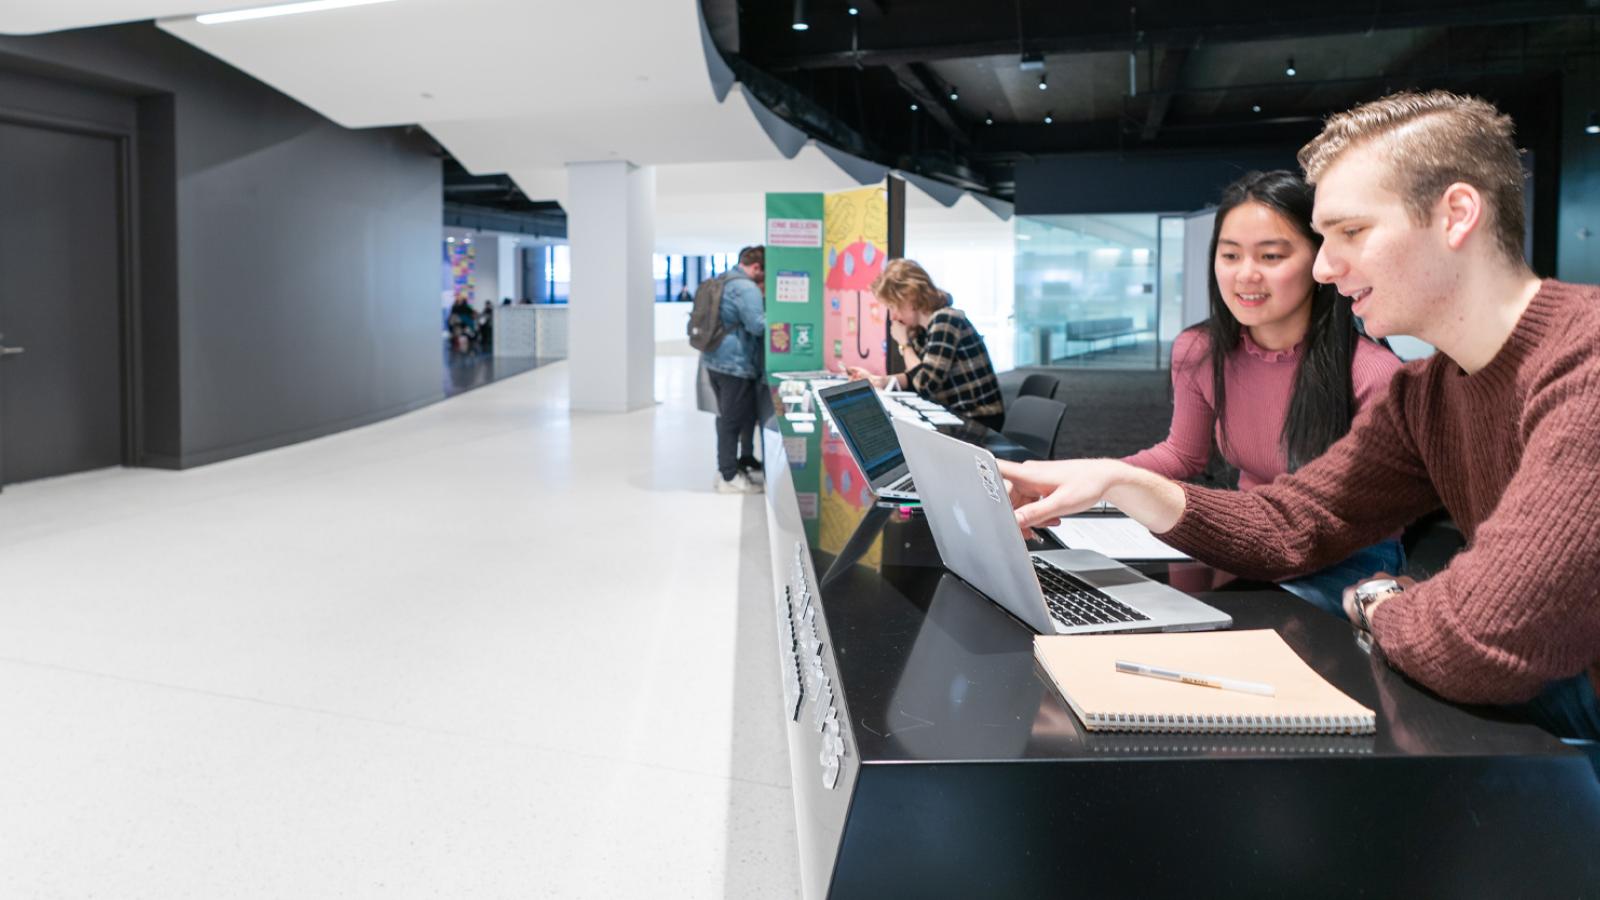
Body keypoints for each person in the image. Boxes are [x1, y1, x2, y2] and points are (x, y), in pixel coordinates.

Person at [998, 90, 1600, 741]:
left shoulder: (1583, 367)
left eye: (1351, 232)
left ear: (1455, 215)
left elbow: (1482, 635)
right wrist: (1120, 482)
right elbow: (1293, 521)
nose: (1324, 265)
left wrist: (1379, 604)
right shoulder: (1425, 394)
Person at [1121, 170, 1403, 616]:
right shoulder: (1199, 351)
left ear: (1319, 261)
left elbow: (1342, 521)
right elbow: (1181, 455)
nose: (1245, 275)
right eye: (1230, 255)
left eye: (1271, 256)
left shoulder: (1372, 373)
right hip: (1245, 533)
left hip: (1344, 556)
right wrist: (1087, 477)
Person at [846, 259, 1005, 431]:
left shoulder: (946, 319)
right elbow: (916, 377)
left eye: (893, 306)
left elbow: (925, 384)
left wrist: (905, 344)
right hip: (956, 416)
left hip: (979, 420)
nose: (893, 316)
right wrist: (879, 381)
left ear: (910, 297)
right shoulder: (922, 330)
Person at [702, 245, 767, 494]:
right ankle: (728, 476)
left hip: (716, 360)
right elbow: (757, 325)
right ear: (757, 268)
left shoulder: (724, 279)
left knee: (732, 416)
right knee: (730, 420)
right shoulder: (745, 287)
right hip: (734, 363)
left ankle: (738, 464)